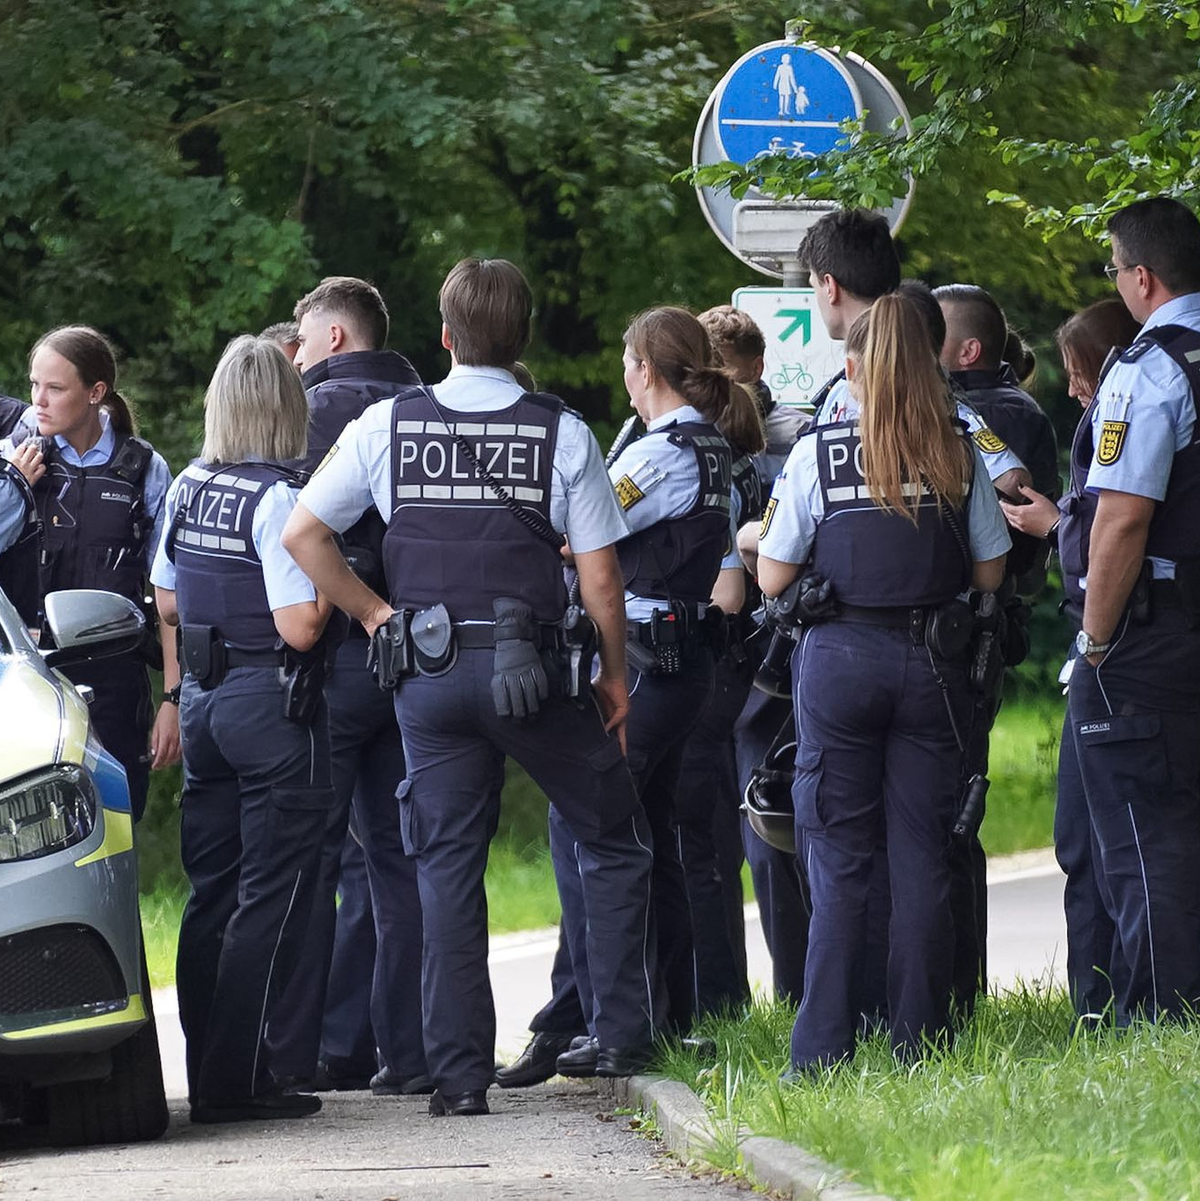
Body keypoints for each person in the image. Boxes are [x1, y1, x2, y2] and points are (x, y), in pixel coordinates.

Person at [281, 257, 659, 1117]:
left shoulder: (386, 424)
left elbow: (305, 533)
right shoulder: (561, 430)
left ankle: (457, 1080)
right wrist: (612, 676)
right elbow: (601, 580)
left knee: (444, 866)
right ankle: (623, 1034)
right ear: (519, 337)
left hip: (428, 673)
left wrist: (377, 616)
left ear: (445, 336)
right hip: (535, 672)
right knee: (610, 831)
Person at [755, 291, 1009, 1069]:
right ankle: (919, 1042)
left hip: (839, 662)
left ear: (856, 364)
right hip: (933, 663)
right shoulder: (958, 449)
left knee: (837, 858)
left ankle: (824, 1047)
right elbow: (991, 568)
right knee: (925, 857)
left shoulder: (817, 452)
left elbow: (771, 573)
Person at [512, 306, 735, 1081]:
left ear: (647, 366)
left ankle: (612, 1024)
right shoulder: (709, 443)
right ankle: (653, 1013)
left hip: (644, 656)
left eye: (625, 358)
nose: (621, 372)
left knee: (589, 827)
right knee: (651, 834)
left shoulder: (666, 451)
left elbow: (583, 531)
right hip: (681, 656)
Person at [1018, 197, 1200, 1023]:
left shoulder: (1148, 369)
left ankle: (1163, 1019)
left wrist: (1094, 640)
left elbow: (1122, 516)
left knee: (1141, 835)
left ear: (1141, 276)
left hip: (1156, 636)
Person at [151, 334, 335, 1122]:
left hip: (201, 698)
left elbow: (164, 599)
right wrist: (333, 589)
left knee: (210, 894)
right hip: (267, 703)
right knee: (269, 895)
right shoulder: (275, 500)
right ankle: (237, 1082)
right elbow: (299, 626)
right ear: (285, 409)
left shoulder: (189, 483)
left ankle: (207, 1072)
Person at [267, 276, 430, 1098]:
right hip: (418, 659)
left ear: (332, 339)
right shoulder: (432, 409)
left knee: (310, 857)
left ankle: (293, 1059)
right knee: (403, 860)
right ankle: (409, 1051)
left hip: (331, 654)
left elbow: (290, 535)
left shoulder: (309, 413)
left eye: (299, 342)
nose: (291, 357)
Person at [1001, 297, 1142, 1020]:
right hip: (1100, 646)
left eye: (1080, 372)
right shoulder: (1109, 410)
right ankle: (1102, 1000)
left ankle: (1112, 1002)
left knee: (1097, 839)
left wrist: (1055, 522)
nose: (1074, 387)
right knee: (1082, 839)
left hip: (1108, 650)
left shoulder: (1125, 409)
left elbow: (1106, 531)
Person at [0, 326, 178, 821]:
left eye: (55, 388)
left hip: (116, 681)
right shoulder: (17, 454)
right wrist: (14, 480)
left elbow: (170, 593)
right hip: (28, 678)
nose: (38, 400)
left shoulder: (144, 469)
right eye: (34, 385)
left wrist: (173, 699)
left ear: (95, 393)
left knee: (118, 821)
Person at [699, 304, 808, 489]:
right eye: (700, 371)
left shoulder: (804, 435)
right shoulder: (683, 436)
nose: (708, 382)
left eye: (721, 370)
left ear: (756, 369)